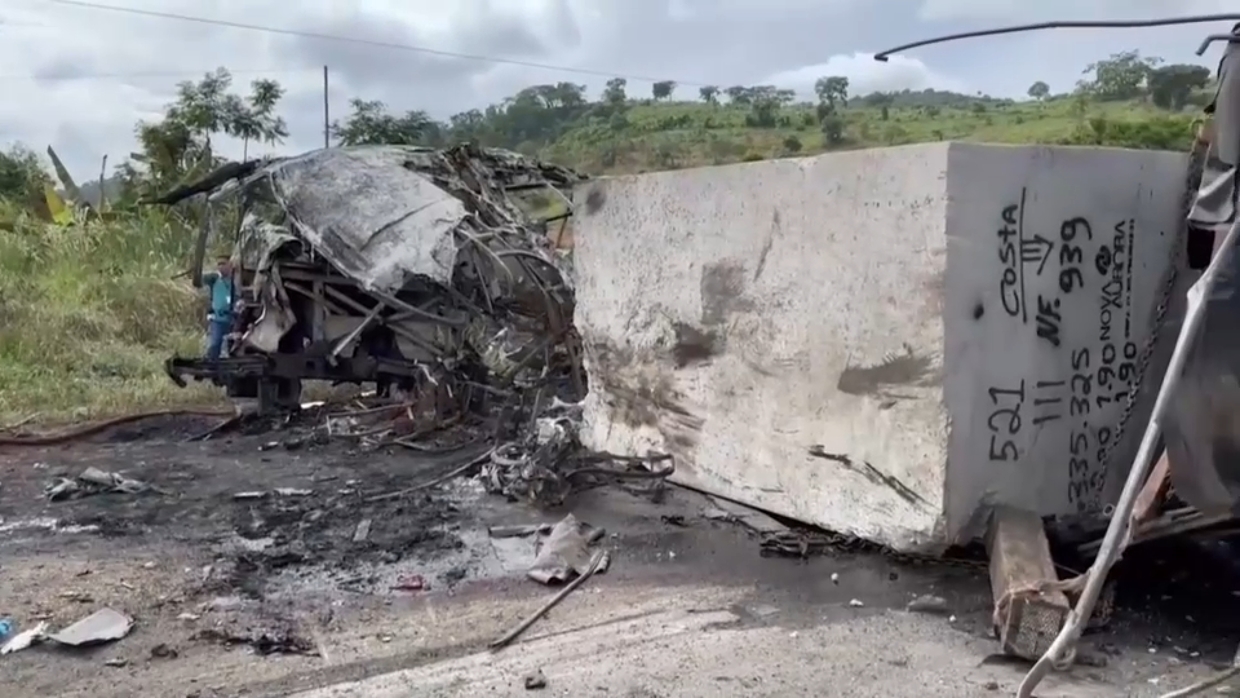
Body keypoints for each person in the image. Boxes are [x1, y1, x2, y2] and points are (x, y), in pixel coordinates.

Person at [200, 256, 235, 361]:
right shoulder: (214, 279)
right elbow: (199, 279)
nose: (221, 266)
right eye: (219, 264)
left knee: (231, 349)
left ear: (230, 265)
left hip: (232, 320)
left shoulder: (235, 281)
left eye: (223, 263)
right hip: (217, 319)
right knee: (215, 344)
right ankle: (211, 365)